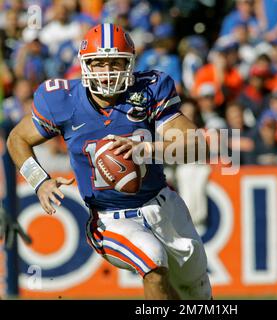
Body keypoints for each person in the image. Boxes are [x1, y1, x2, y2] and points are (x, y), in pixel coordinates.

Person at [6, 23, 212, 300]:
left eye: (116, 63)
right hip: (110, 219)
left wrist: (146, 149)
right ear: (84, 65)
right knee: (153, 262)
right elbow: (16, 139)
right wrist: (39, 181)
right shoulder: (62, 100)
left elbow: (196, 146)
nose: (107, 72)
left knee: (196, 293)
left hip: (164, 205)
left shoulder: (150, 90)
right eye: (99, 63)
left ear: (130, 64)